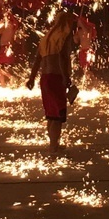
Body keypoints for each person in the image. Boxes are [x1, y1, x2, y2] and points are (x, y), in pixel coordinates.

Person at [26, 11, 78, 152]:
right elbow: (63, 58)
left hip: (45, 78)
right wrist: (66, 77)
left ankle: (53, 143)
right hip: (56, 77)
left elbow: (37, 59)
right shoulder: (64, 36)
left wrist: (31, 78)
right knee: (57, 114)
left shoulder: (46, 38)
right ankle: (54, 146)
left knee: (50, 113)